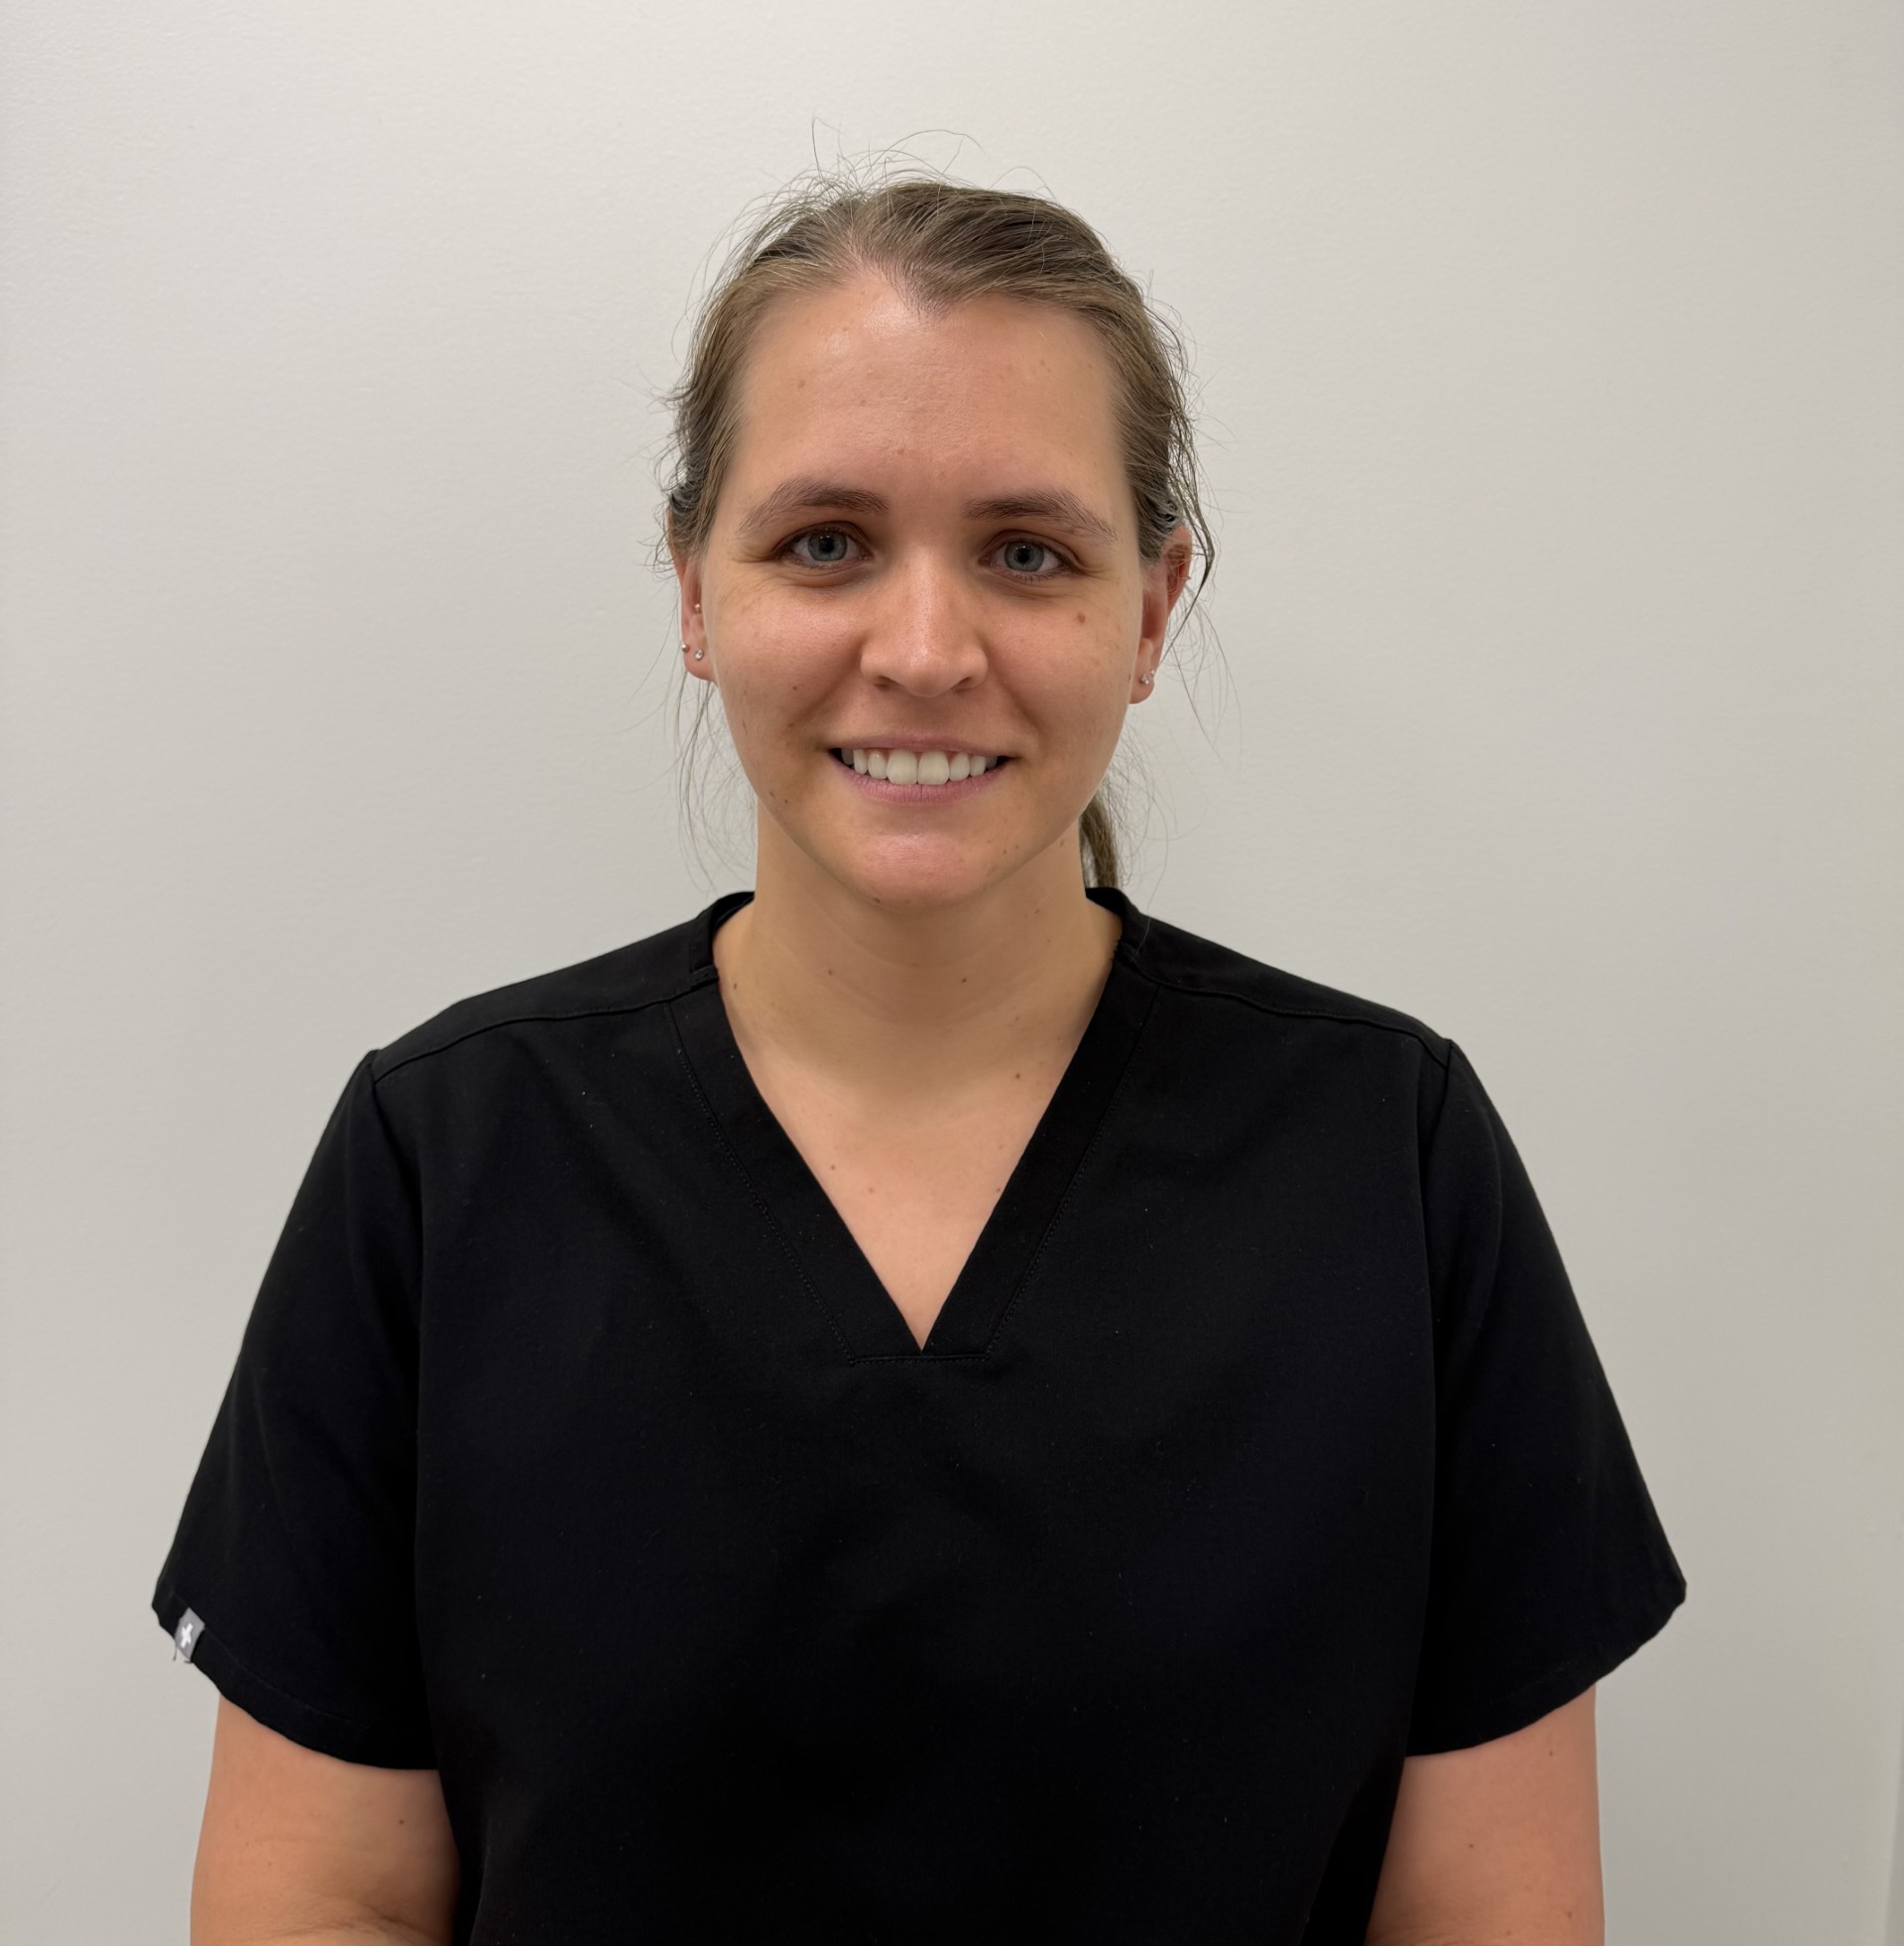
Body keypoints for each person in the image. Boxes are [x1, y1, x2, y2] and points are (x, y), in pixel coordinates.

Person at [157, 176, 1684, 1945]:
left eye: (1027, 552)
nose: (925, 651)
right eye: (826, 543)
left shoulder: (1389, 1163)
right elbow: (320, 1900)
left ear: (1152, 607)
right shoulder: (445, 1160)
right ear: (693, 590)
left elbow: (1495, 1916)